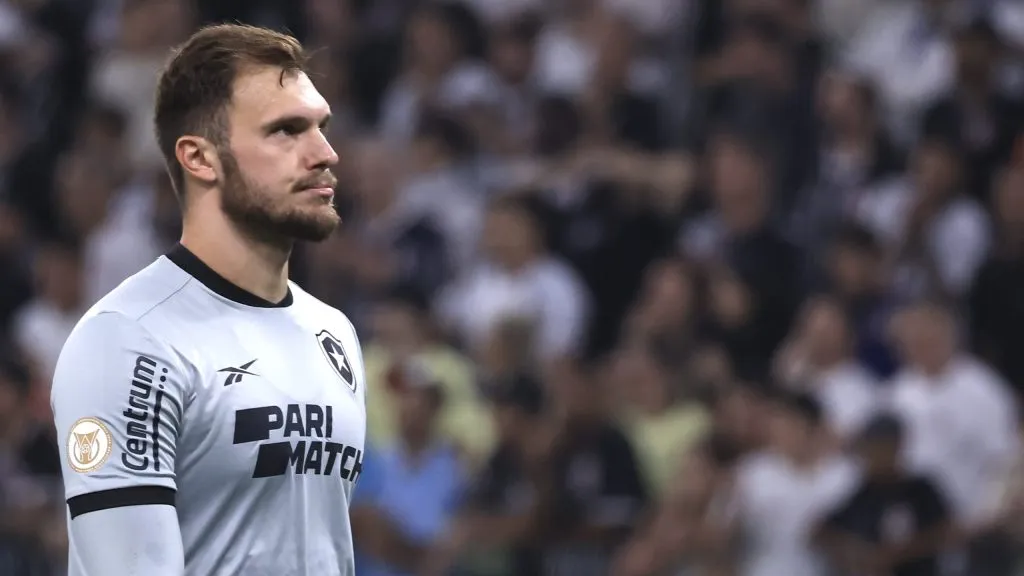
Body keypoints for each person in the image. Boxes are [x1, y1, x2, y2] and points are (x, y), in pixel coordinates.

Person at [50, 24, 366, 576]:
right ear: (199, 158)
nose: (325, 153)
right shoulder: (128, 340)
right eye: (286, 130)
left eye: (322, 127)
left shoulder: (333, 332)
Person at [816, 412, 952, 576]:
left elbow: (949, 530)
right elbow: (820, 533)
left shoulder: (920, 489)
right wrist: (859, 553)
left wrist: (899, 553)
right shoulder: (861, 493)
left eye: (884, 448)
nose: (876, 455)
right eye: (872, 448)